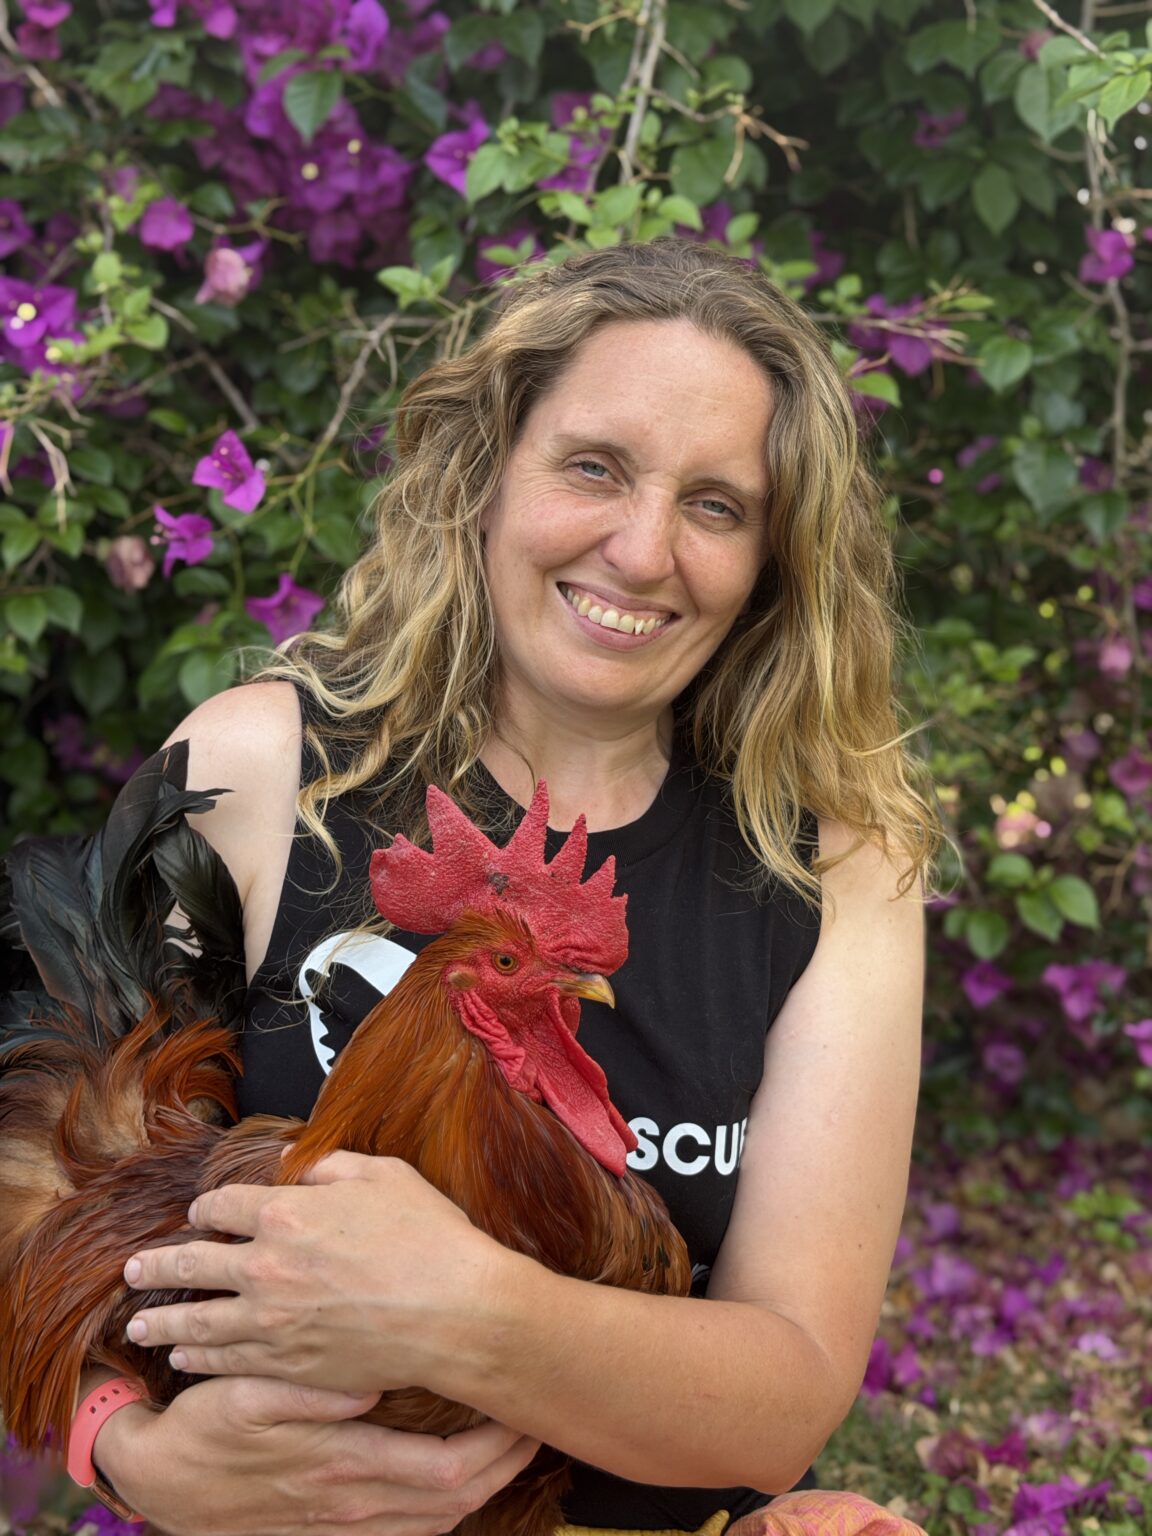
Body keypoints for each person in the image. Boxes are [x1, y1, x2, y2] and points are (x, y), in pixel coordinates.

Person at [85, 239, 939, 1535]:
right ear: (485, 475)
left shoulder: (831, 864)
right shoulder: (250, 773)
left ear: (772, 556)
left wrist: (467, 1306)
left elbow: (789, 1390)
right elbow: (44, 1176)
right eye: (594, 467)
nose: (643, 551)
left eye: (717, 504)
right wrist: (128, 1451)